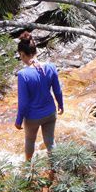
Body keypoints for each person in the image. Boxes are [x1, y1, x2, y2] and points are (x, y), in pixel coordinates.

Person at [14, 31, 64, 161]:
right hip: (50, 113)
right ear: (35, 52)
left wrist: (19, 120)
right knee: (50, 142)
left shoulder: (23, 75)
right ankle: (54, 167)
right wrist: (61, 105)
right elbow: (57, 90)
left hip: (32, 117)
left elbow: (23, 102)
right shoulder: (51, 67)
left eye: (20, 56)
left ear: (23, 54)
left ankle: (28, 167)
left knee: (30, 141)